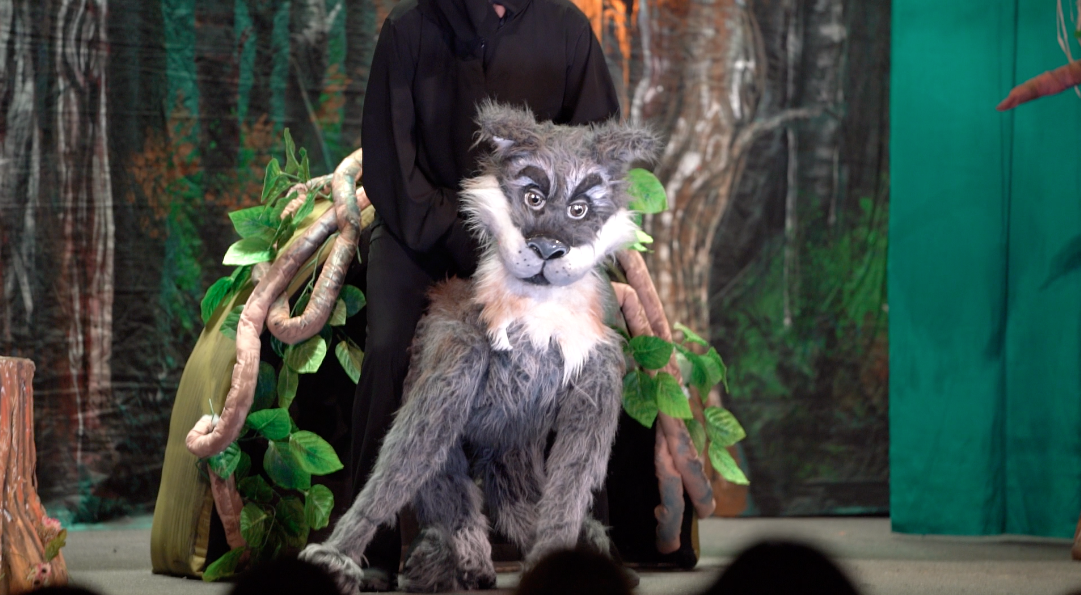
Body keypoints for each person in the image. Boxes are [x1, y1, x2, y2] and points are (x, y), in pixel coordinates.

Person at [352, 0, 621, 587]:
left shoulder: (567, 30)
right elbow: (392, 167)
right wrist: (471, 235)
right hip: (421, 234)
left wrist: (539, 241)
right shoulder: (408, 28)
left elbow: (597, 156)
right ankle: (368, 549)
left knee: (593, 351)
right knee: (389, 346)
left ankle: (581, 552)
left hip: (538, 243)